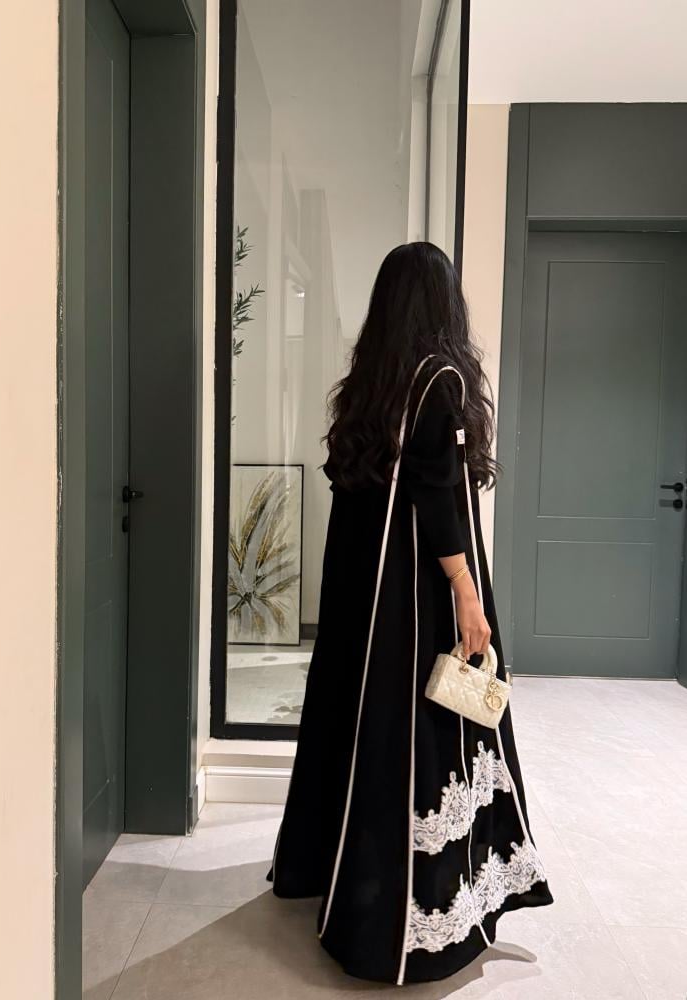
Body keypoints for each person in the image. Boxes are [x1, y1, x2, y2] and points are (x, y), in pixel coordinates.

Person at [267, 242, 553, 985]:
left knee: (364, 723)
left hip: (366, 597)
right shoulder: (440, 379)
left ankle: (337, 876)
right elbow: (437, 495)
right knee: (435, 725)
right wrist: (467, 593)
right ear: (442, 302)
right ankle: (417, 917)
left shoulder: (374, 384)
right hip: (418, 596)